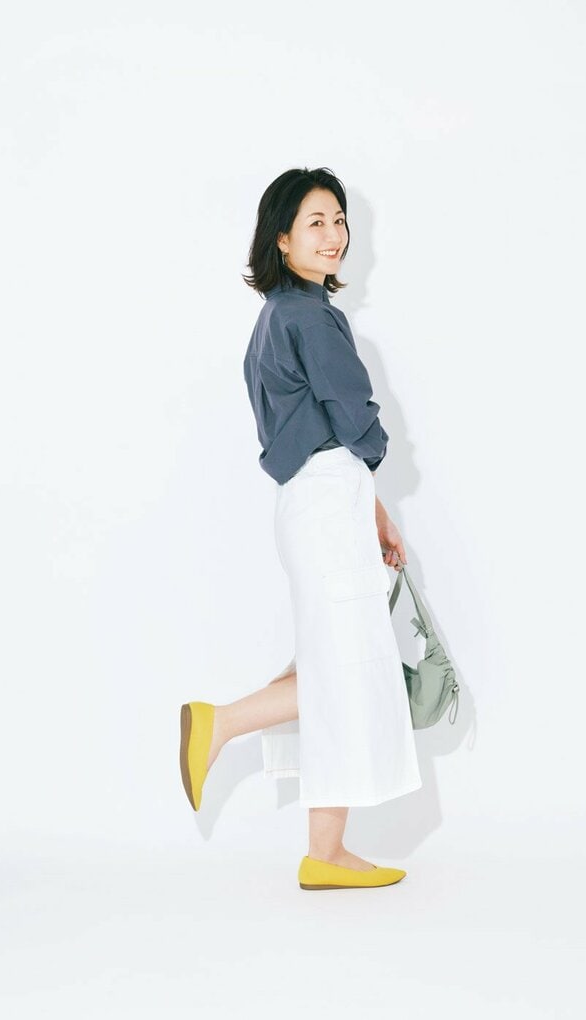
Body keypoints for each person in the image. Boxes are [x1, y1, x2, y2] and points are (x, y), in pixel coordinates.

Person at [180, 167, 422, 891]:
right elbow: (352, 418)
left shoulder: (275, 320)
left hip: (313, 501)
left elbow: (314, 433)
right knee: (343, 669)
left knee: (338, 663)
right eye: (316, 222)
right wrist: (372, 462)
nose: (334, 234)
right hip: (326, 500)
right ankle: (221, 723)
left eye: (340, 220)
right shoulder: (310, 318)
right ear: (281, 239)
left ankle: (326, 851)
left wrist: (373, 509)